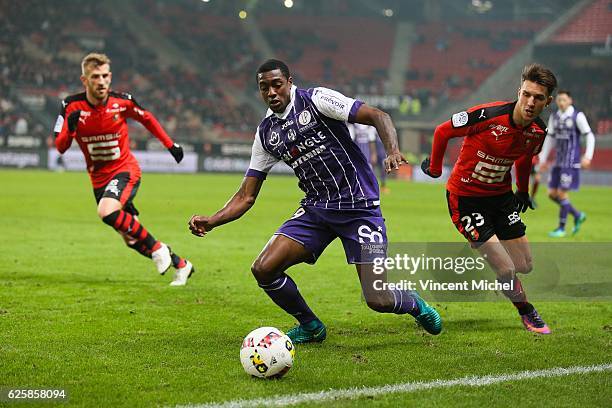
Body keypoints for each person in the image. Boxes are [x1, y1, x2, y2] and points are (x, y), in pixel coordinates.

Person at [189, 59, 441, 343]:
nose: (271, 92)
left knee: (378, 298)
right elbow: (246, 196)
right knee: (264, 268)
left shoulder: (317, 100)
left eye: (276, 85)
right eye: (264, 88)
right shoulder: (266, 134)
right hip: (317, 211)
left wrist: (392, 150)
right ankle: (310, 326)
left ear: (289, 82)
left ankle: (414, 304)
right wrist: (212, 220)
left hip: (360, 209)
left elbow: (378, 115)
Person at [421, 63, 557, 334]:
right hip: (466, 199)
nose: (530, 102)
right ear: (519, 92)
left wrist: (522, 190)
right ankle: (527, 311)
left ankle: (496, 261)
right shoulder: (488, 115)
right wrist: (435, 169)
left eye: (538, 97)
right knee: (507, 269)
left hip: (501, 199)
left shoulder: (538, 132)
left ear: (547, 101)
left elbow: (525, 157)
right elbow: (442, 131)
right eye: (526, 94)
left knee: (524, 266)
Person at [54, 53, 194, 286]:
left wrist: (171, 145)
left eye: (106, 76)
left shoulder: (122, 102)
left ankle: (158, 249)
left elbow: (147, 118)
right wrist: (70, 127)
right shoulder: (70, 106)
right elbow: (60, 146)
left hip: (125, 170)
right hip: (99, 180)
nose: (102, 81)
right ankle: (181, 264)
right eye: (95, 76)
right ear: (84, 80)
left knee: (107, 211)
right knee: (131, 239)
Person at [538, 90, 595, 237]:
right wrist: (543, 159)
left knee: (562, 193)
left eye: (564, 99)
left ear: (570, 100)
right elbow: (550, 139)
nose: (561, 102)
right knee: (551, 194)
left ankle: (561, 229)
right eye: (559, 100)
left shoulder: (577, 116)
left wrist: (587, 156)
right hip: (558, 161)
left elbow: (589, 136)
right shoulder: (554, 117)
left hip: (571, 162)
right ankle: (577, 215)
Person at [348, 123, 390, 193]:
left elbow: (371, 142)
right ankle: (356, 189)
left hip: (366, 153)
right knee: (356, 171)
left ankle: (374, 187)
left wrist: (373, 154)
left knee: (369, 170)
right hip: (357, 152)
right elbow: (351, 141)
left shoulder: (370, 127)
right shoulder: (353, 126)